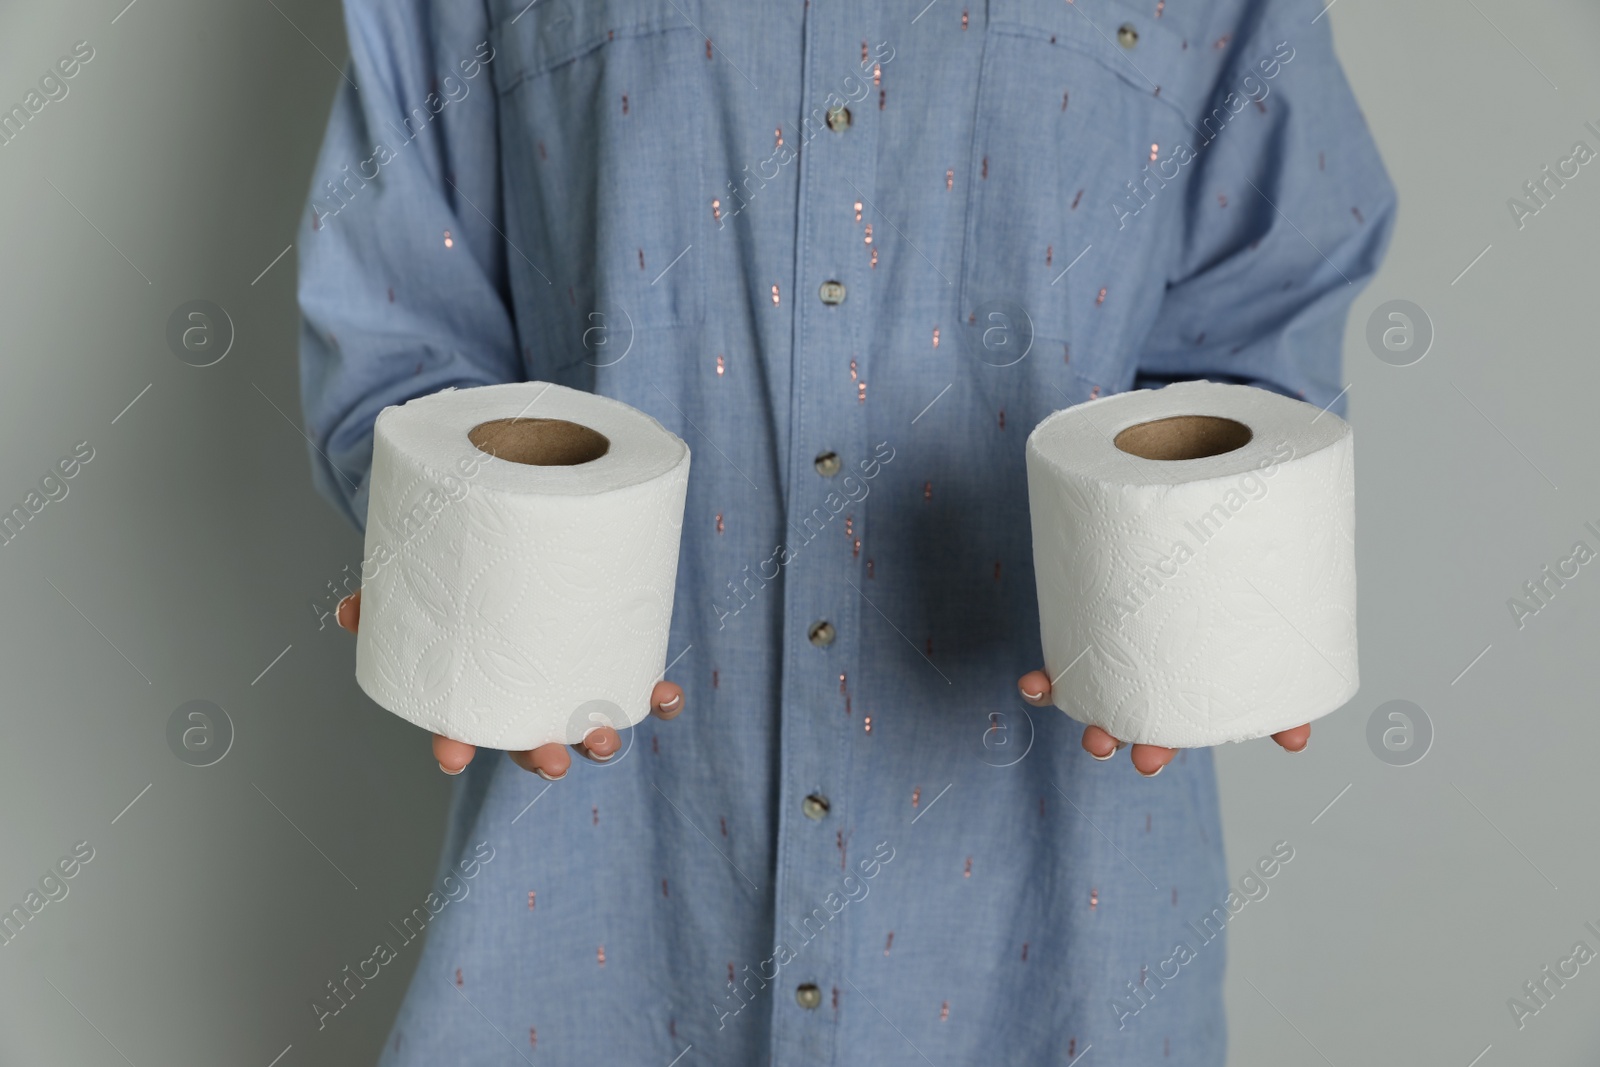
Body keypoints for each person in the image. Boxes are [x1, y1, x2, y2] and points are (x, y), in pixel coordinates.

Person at [299, 0, 1393, 1062]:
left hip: (1057, 937)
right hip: (597, 904)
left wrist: (1212, 589)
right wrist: (440, 556)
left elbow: (1262, 317)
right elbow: (401, 323)